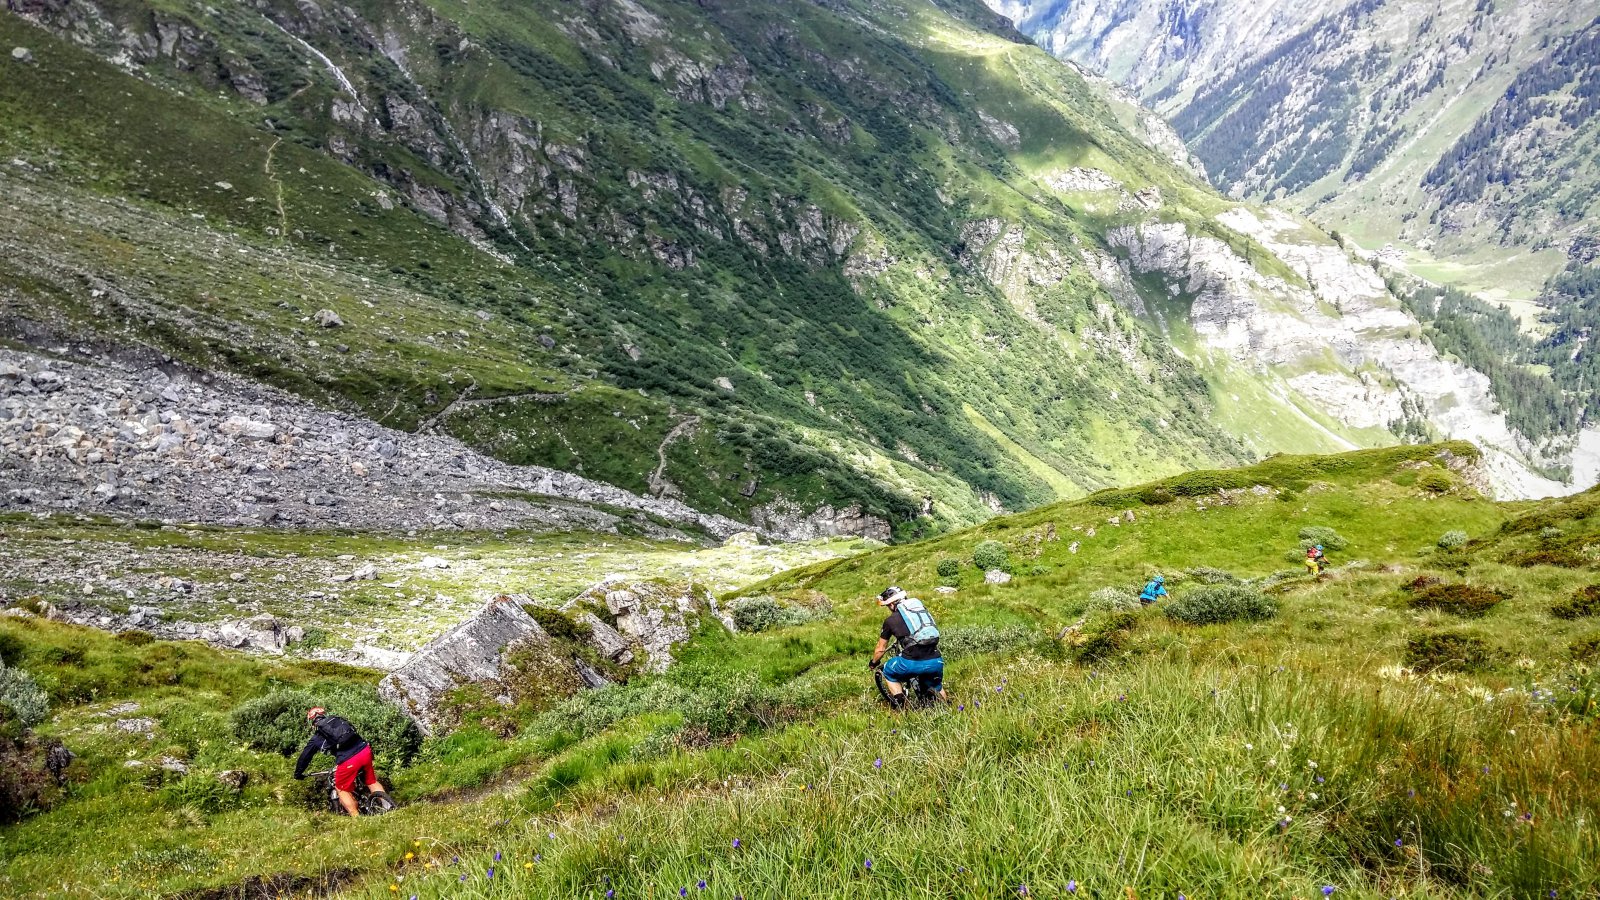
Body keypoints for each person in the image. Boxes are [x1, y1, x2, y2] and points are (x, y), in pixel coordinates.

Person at [293, 707, 390, 816]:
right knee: (371, 781)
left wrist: (298, 773)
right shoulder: (338, 720)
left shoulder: (317, 738)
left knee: (341, 788)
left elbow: (305, 756)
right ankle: (389, 807)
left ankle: (357, 818)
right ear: (324, 715)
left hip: (349, 760)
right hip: (364, 750)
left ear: (313, 723)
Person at [867, 586, 947, 709]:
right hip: (936, 660)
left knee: (888, 672)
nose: (889, 609)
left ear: (893, 603)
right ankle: (947, 709)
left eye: (888, 606)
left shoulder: (890, 620)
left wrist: (873, 662)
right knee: (937, 686)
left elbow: (880, 649)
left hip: (911, 663)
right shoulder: (921, 612)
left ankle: (902, 708)